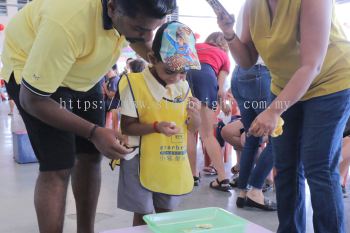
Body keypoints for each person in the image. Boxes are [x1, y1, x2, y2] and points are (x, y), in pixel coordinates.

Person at [1, 0, 177, 232]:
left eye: (152, 28)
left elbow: (141, 39)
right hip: (35, 78)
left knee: (91, 156)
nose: (147, 36)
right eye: (140, 29)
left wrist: (161, 64)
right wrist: (94, 132)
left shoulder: (129, 14)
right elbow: (32, 100)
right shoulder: (67, 22)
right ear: (112, 8)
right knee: (58, 165)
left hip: (84, 75)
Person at [218, 0, 350, 232]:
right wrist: (229, 33)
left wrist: (274, 110)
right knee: (285, 166)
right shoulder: (253, 5)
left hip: (331, 82)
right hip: (284, 84)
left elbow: (312, 64)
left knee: (318, 166)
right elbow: (248, 60)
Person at [117, 21, 201, 226]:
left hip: (170, 159)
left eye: (183, 72)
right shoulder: (134, 84)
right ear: (153, 59)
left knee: (167, 212)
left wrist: (196, 116)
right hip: (139, 158)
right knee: (143, 213)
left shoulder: (182, 87)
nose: (177, 77)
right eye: (170, 71)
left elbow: (193, 127)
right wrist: (156, 127)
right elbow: (127, 126)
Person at [186, 32, 232, 192]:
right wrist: (223, 104)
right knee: (207, 135)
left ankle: (192, 175)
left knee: (190, 132)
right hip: (207, 78)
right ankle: (222, 178)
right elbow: (220, 89)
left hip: (187, 77)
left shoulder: (196, 47)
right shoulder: (224, 57)